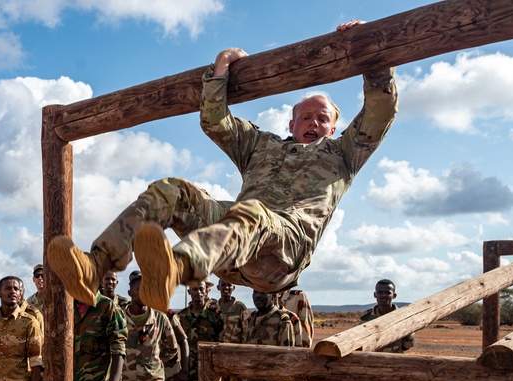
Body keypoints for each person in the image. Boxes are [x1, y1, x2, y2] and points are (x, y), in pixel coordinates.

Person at [47, 21, 397, 313]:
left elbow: (380, 111)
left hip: (280, 255)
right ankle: (94, 266)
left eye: (323, 119)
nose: (313, 123)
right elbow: (215, 121)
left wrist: (371, 53)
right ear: (291, 124)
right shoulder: (262, 146)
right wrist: (222, 67)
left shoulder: (343, 155)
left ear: (334, 128)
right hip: (227, 247)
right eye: (306, 116)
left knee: (254, 214)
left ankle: (175, 269)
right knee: (173, 190)